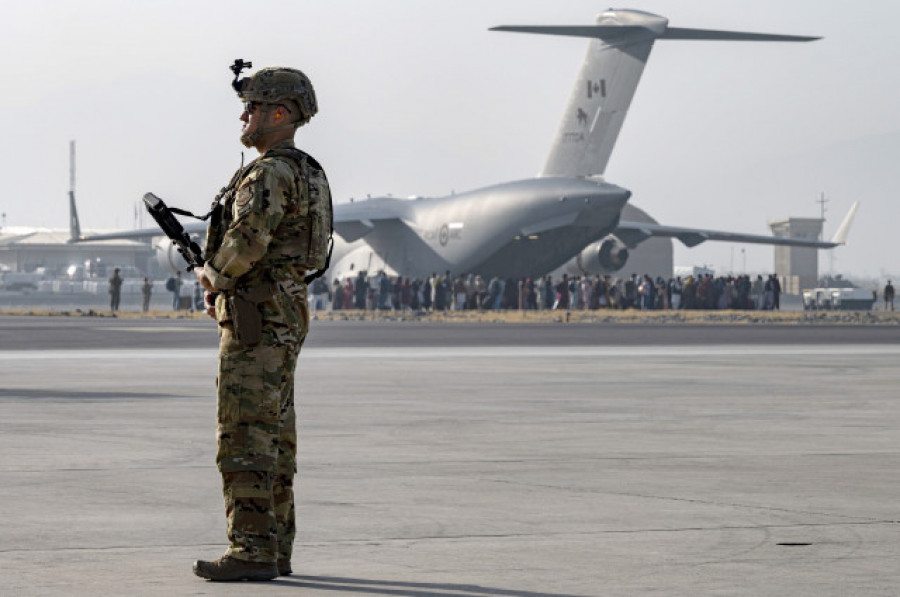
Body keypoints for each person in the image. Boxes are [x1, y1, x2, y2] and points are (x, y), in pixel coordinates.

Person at [192, 63, 331, 582]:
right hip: (284, 310)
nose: (244, 116)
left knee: (245, 433)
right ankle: (276, 546)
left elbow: (246, 243)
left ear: (281, 113)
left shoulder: (270, 172)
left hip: (256, 316)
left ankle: (252, 549)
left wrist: (215, 278)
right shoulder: (307, 170)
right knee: (276, 435)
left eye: (253, 107)